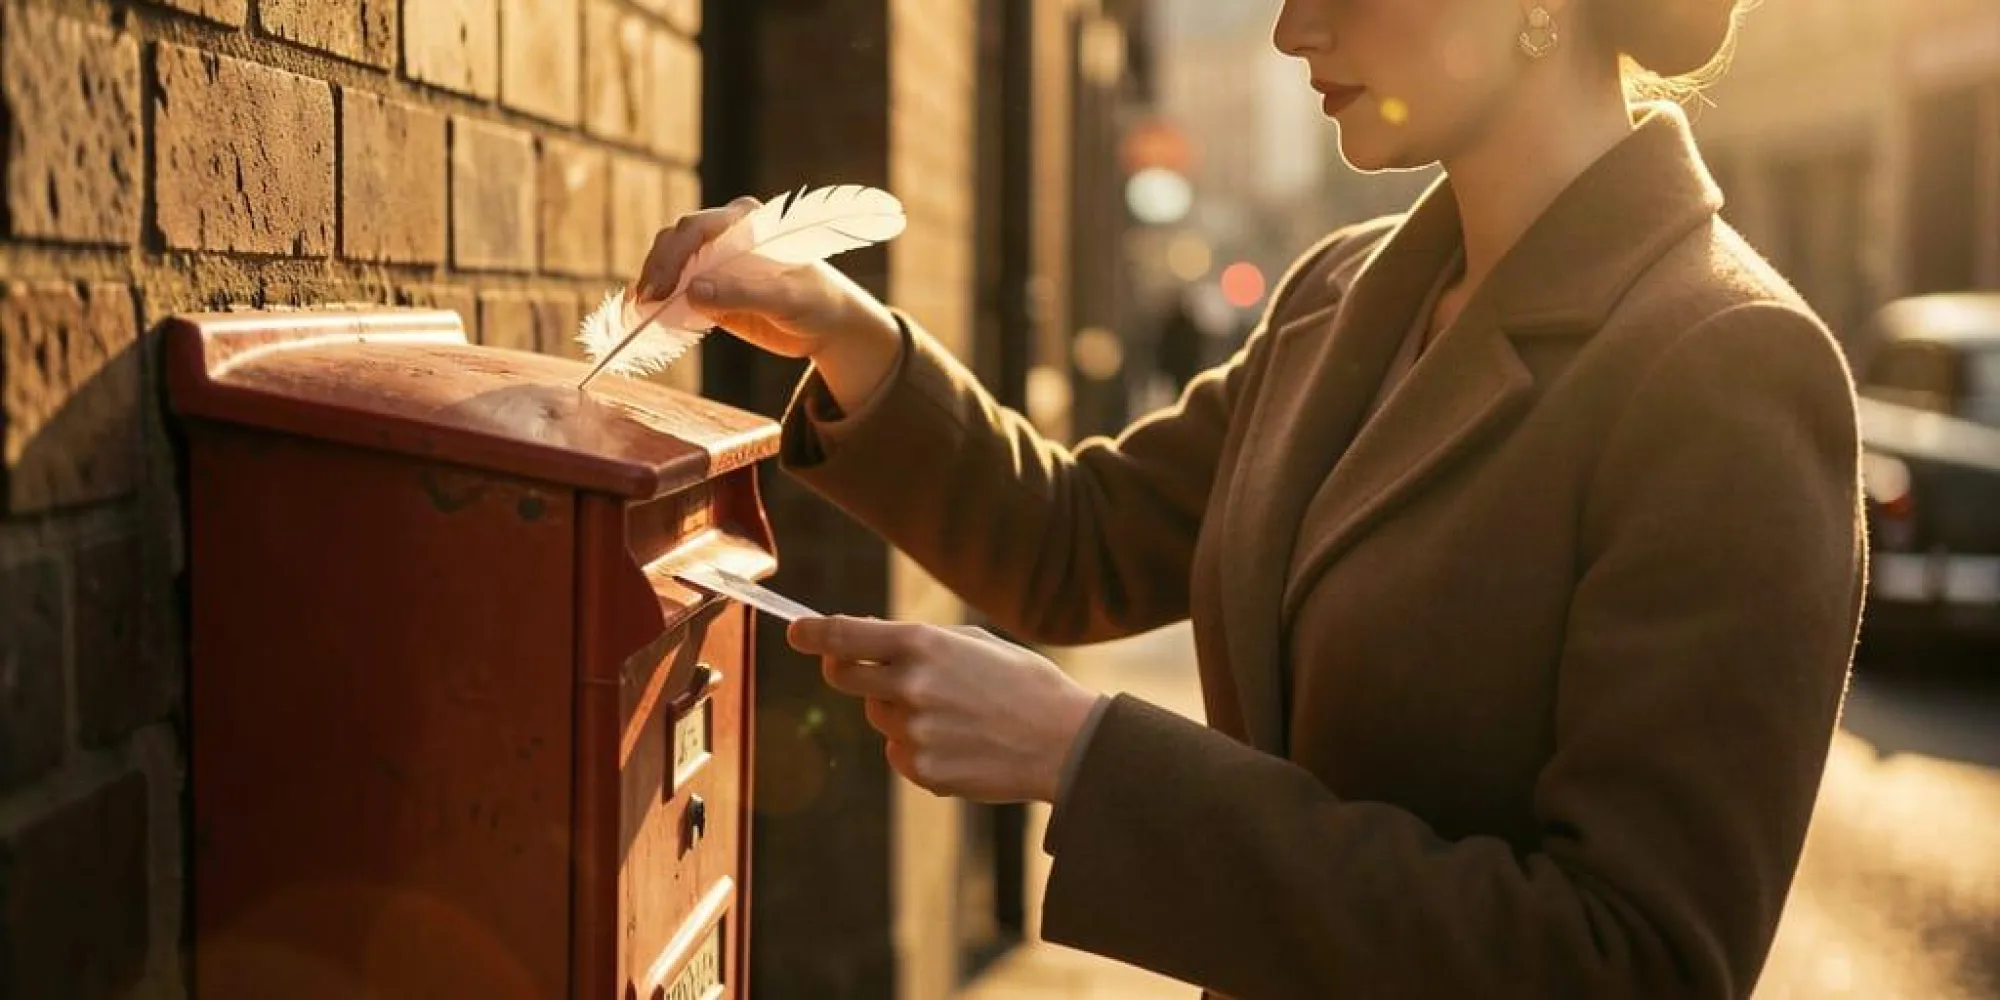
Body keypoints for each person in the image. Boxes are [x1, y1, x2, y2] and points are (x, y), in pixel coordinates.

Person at [635, 0, 1867, 995]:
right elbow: (1078, 542)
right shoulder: (1341, 295)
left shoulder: (1721, 363)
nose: (1289, 30)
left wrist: (1087, 758)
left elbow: (1632, 961)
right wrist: (839, 328)